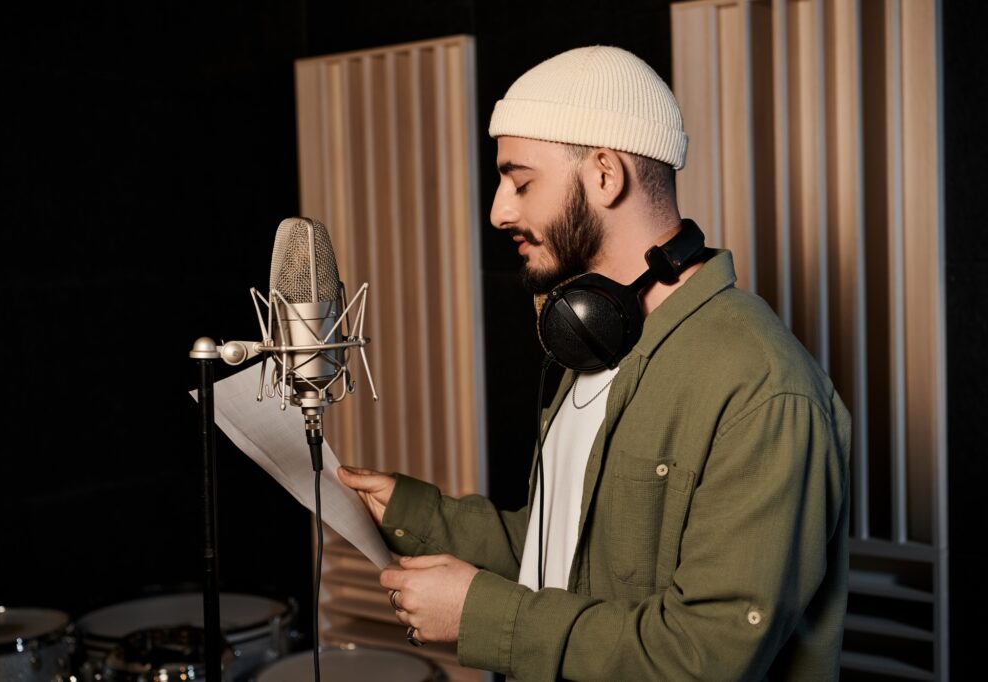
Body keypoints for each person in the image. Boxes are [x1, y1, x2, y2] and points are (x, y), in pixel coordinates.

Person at [337, 45, 851, 681]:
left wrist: (485, 616)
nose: (499, 210)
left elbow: (707, 658)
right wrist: (419, 517)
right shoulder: (593, 341)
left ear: (605, 174)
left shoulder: (762, 386)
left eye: (522, 182)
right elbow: (566, 555)